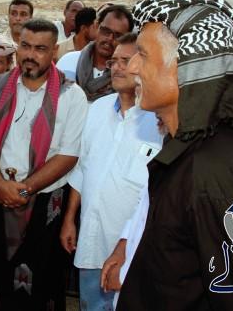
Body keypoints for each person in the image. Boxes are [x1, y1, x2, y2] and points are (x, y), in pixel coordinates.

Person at [116, 0, 233, 310]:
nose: (132, 68)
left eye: (143, 54)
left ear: (188, 67)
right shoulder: (185, 148)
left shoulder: (216, 173)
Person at [0, 19, 88, 310]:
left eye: (40, 49)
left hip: (45, 207)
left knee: (43, 282)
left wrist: (25, 189)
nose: (30, 55)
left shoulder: (72, 95)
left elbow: (69, 155)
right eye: (25, 46)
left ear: (54, 52)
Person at [60, 33, 162, 311]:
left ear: (144, 65)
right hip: (92, 241)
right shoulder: (97, 109)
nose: (116, 67)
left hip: (135, 249)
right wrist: (69, 220)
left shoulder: (159, 120)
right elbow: (82, 168)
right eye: (113, 61)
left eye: (125, 61)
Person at [57, 5, 133, 102]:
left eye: (118, 35)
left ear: (126, 39)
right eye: (105, 31)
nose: (109, 38)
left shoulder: (128, 74)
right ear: (96, 26)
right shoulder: (68, 61)